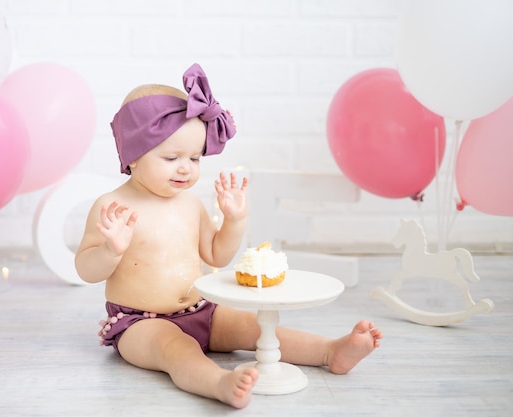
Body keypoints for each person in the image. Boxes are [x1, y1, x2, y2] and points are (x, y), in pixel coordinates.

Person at [75, 63, 382, 409]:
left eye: (194, 157)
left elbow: (217, 255)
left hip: (204, 310)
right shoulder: (112, 206)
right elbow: (86, 269)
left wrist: (235, 221)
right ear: (132, 156)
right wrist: (110, 250)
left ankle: (330, 350)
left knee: (256, 327)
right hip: (141, 324)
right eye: (171, 156)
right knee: (176, 349)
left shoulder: (189, 204)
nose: (185, 168)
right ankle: (218, 382)